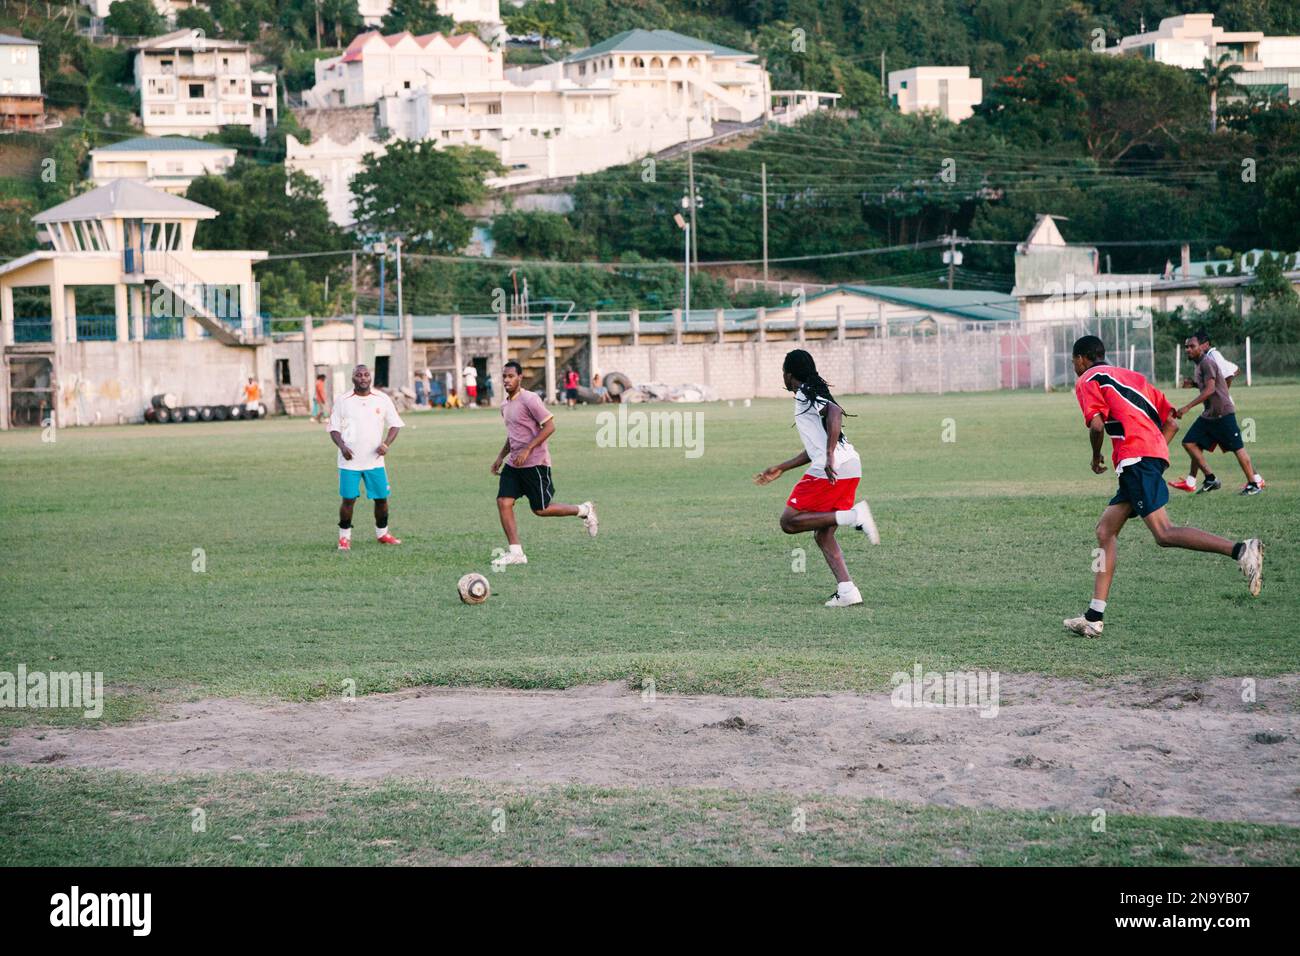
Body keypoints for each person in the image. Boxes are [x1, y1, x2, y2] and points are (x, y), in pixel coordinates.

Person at [1064, 336, 1262, 638]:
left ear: (1082, 359)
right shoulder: (1132, 377)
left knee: (1164, 533)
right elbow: (1171, 421)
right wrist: (1153, 451)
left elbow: (1097, 425)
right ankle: (1094, 616)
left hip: (1135, 461)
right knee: (1105, 531)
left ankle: (1241, 550)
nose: (1075, 366)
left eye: (1074, 361)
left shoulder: (1088, 379)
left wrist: (1096, 457)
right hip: (1144, 459)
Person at [754, 349, 878, 608]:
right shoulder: (811, 391)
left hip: (833, 468)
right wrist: (782, 467)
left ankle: (854, 516)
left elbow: (834, 412)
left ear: (788, 374)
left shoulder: (803, 394)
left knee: (789, 521)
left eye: (783, 374)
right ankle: (847, 591)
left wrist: (830, 455)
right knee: (823, 535)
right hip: (849, 466)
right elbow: (815, 447)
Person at [491, 360, 596, 568]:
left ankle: (584, 510)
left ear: (520, 377)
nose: (506, 380)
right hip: (514, 464)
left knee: (540, 509)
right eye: (504, 376)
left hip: (535, 464)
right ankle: (516, 553)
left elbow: (549, 427)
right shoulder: (505, 406)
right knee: (504, 501)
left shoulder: (530, 399)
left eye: (511, 376)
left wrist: (528, 449)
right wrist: (500, 456)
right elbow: (513, 436)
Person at [1167, 331, 1265, 496]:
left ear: (1201, 348)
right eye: (1186, 347)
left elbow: (1211, 389)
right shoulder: (1198, 364)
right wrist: (1193, 384)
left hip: (1223, 413)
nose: (1188, 350)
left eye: (1192, 346)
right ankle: (1211, 478)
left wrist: (1188, 407)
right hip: (1210, 415)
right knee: (1189, 442)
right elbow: (1207, 384)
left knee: (1238, 448)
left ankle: (1253, 483)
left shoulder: (1207, 362)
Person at [327, 364, 404, 551]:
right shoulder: (343, 400)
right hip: (349, 461)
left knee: (381, 499)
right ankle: (344, 538)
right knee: (348, 500)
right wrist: (342, 446)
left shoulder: (382, 399)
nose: (362, 378)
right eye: (358, 375)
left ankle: (383, 534)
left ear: (371, 377)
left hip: (375, 462)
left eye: (366, 375)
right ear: (353, 378)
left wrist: (386, 444)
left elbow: (395, 424)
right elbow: (333, 428)